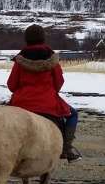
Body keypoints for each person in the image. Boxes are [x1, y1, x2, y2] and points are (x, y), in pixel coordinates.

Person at [7, 24, 83, 161]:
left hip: (21, 103)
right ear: (43, 39)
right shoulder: (52, 59)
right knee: (73, 115)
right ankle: (66, 149)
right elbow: (59, 83)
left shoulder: (19, 60)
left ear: (26, 39)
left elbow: (11, 85)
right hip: (48, 104)